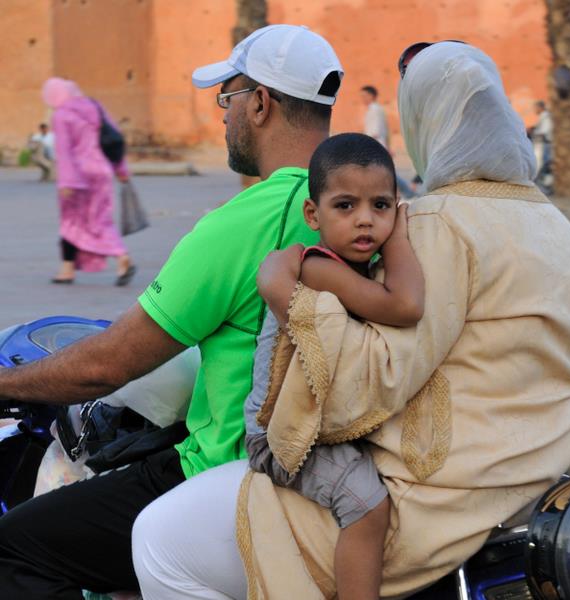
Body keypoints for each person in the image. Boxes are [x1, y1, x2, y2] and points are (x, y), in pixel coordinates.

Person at [131, 40, 570, 599]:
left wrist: (290, 298)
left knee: (157, 538)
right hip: (547, 471)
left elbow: (363, 391)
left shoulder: (435, 225)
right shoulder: (554, 225)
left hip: (438, 499)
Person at [0, 24, 343, 600]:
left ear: (259, 103)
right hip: (330, 471)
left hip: (225, 474)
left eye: (227, 99)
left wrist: (9, 384)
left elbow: (108, 364)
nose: (223, 116)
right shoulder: (368, 204)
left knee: (13, 548)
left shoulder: (244, 220)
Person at [245, 132, 424, 600]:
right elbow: (406, 306)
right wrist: (400, 235)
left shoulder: (350, 266)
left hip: (322, 422)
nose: (365, 220)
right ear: (313, 214)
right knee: (368, 505)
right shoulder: (318, 267)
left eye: (381, 206)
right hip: (278, 438)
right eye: (345, 206)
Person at [41, 78, 136, 285]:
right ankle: (74, 266)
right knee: (100, 219)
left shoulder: (61, 115)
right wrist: (121, 170)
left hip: (78, 175)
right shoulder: (93, 106)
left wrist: (66, 183)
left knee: (71, 222)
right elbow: (113, 138)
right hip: (101, 171)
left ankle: (115, 256)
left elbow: (64, 151)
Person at [361, 84, 415, 198]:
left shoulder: (374, 110)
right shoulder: (376, 109)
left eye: (365, 95)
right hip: (377, 145)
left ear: (371, 96)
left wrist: (364, 144)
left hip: (374, 145)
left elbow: (375, 131)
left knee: (384, 172)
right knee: (385, 171)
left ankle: (405, 192)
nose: (363, 98)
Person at [532, 99, 553, 179]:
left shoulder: (546, 116)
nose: (534, 110)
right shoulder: (543, 116)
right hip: (541, 143)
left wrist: (534, 132)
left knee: (540, 163)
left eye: (535, 108)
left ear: (540, 107)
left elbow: (544, 131)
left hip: (543, 144)